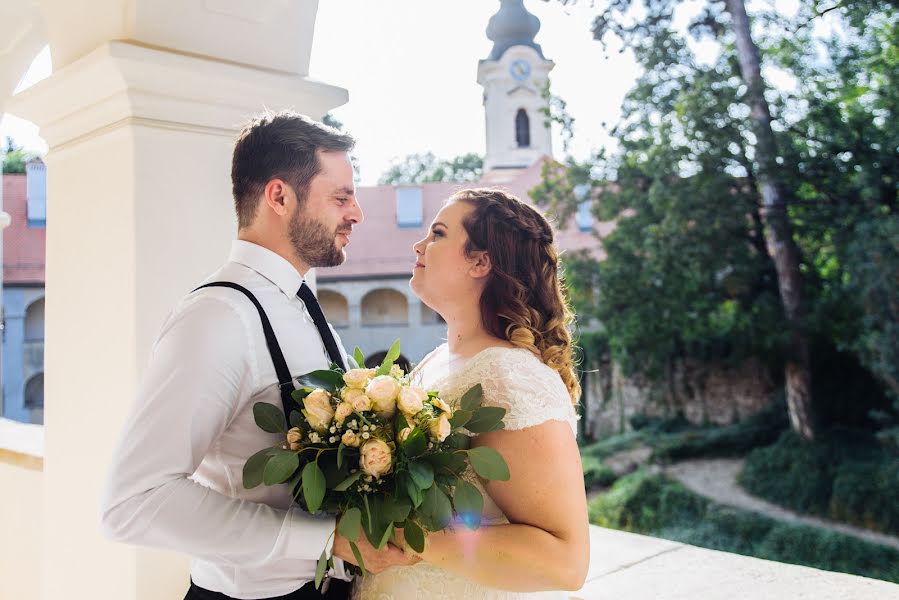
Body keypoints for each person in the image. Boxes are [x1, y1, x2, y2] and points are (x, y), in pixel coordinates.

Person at [100, 111, 417, 600]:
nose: (356, 214)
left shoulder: (304, 307)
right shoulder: (217, 317)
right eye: (341, 197)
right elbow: (134, 503)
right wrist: (327, 539)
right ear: (279, 196)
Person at [353, 188, 590, 599]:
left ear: (481, 261)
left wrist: (412, 542)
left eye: (438, 234)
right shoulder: (437, 361)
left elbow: (566, 561)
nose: (419, 244)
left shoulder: (508, 377)